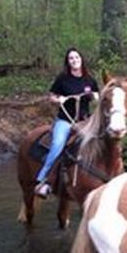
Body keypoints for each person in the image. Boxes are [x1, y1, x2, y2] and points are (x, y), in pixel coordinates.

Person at [34, 48, 99, 198]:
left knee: (99, 142)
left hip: (84, 121)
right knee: (57, 145)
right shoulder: (62, 79)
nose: (74, 60)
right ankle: (44, 179)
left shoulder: (89, 79)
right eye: (71, 58)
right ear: (68, 62)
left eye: (76, 57)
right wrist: (59, 99)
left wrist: (96, 96)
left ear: (81, 59)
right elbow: (51, 96)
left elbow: (98, 96)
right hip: (65, 120)